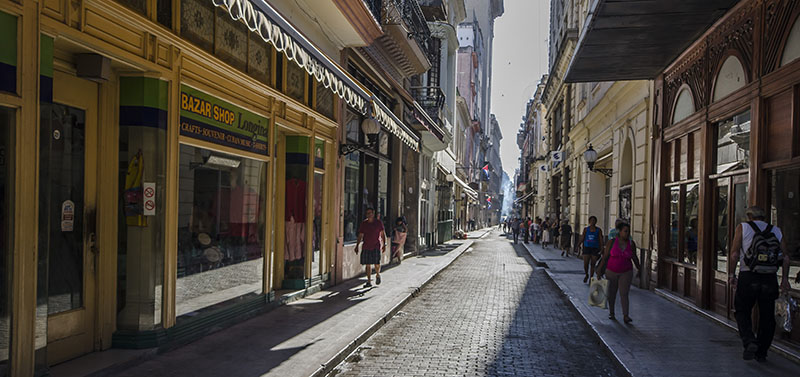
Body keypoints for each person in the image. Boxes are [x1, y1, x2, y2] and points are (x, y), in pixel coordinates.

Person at [729, 207, 790, 362]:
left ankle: (749, 341)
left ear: (749, 216)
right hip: (770, 278)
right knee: (768, 316)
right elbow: (786, 257)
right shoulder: (776, 230)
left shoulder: (743, 227)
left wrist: (731, 274)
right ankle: (761, 352)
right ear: (764, 217)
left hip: (748, 275)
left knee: (742, 311)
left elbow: (735, 253)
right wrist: (784, 279)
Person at [597, 222, 641, 323]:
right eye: (625, 231)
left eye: (628, 232)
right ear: (620, 232)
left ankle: (626, 315)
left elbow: (634, 257)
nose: (627, 233)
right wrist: (599, 269)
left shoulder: (631, 244)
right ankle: (611, 312)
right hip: (611, 271)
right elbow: (605, 257)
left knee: (624, 293)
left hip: (626, 272)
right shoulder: (611, 243)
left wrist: (639, 268)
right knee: (612, 293)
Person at [355, 208, 386, 288]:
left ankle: (377, 274)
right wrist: (357, 245)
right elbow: (360, 235)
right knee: (367, 264)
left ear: (373, 213)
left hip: (376, 245)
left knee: (376, 263)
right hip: (366, 246)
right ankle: (368, 281)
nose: (368, 215)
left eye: (370, 213)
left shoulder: (378, 223)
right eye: (367, 213)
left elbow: (382, 234)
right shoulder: (364, 224)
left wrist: (384, 244)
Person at [580, 216, 604, 283]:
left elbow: (601, 239)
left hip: (595, 248)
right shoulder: (586, 229)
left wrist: (602, 247)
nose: (592, 222)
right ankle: (586, 274)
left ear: (596, 222)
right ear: (589, 221)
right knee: (586, 263)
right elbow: (583, 237)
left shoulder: (598, 230)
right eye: (591, 220)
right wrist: (578, 244)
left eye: (594, 220)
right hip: (587, 247)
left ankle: (591, 277)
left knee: (593, 264)